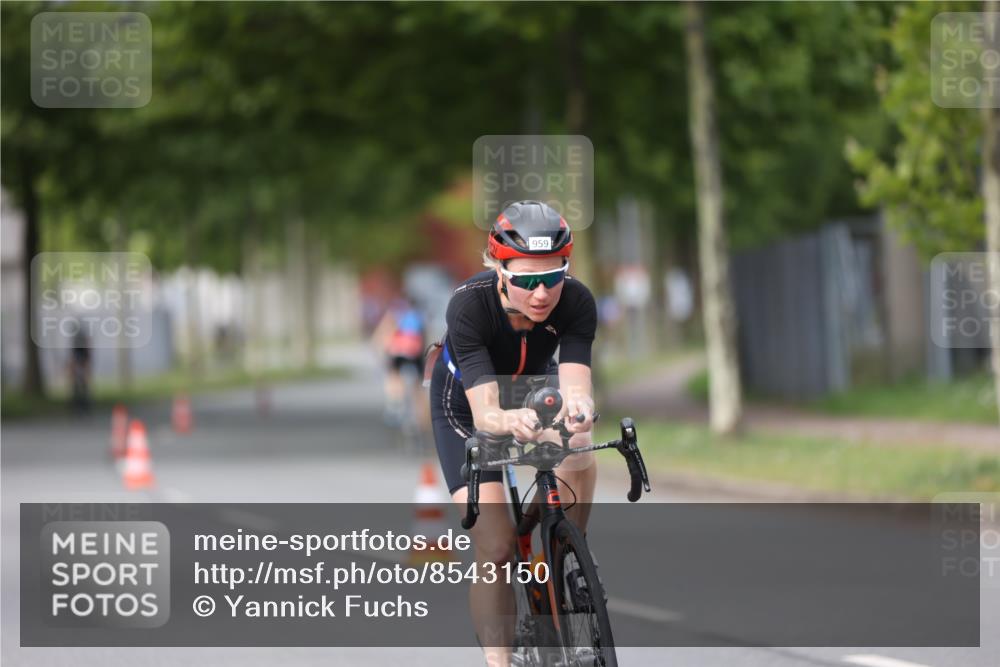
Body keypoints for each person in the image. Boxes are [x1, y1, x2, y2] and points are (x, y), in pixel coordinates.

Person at [428, 201, 597, 666]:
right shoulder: (468, 306)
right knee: (497, 548)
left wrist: (580, 408)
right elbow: (486, 413)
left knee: (580, 445)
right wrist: (506, 422)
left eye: (553, 275)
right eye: (525, 279)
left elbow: (576, 382)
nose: (541, 293)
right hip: (465, 404)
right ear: (499, 269)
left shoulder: (578, 301)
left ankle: (568, 556)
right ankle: (500, 662)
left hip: (530, 391)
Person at [374, 296, 426, 426]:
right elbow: (424, 336)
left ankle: (394, 405)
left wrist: (382, 351)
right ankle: (421, 415)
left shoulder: (394, 314)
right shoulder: (418, 316)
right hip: (415, 351)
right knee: (418, 384)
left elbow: (383, 334)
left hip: (398, 351)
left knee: (393, 376)